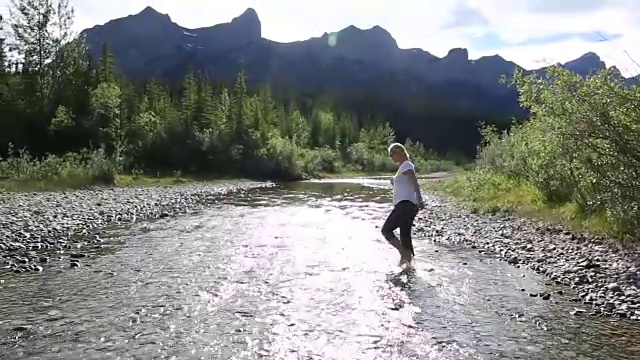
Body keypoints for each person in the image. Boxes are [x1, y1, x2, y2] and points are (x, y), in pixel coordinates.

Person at [381, 143, 424, 266]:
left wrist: (420, 199)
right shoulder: (403, 167)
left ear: (400, 152)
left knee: (386, 230)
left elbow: (414, 182)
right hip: (406, 204)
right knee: (405, 235)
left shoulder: (406, 165)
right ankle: (409, 264)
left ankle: (404, 254)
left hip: (405, 204)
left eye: (392, 154)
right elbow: (405, 185)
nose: (391, 157)